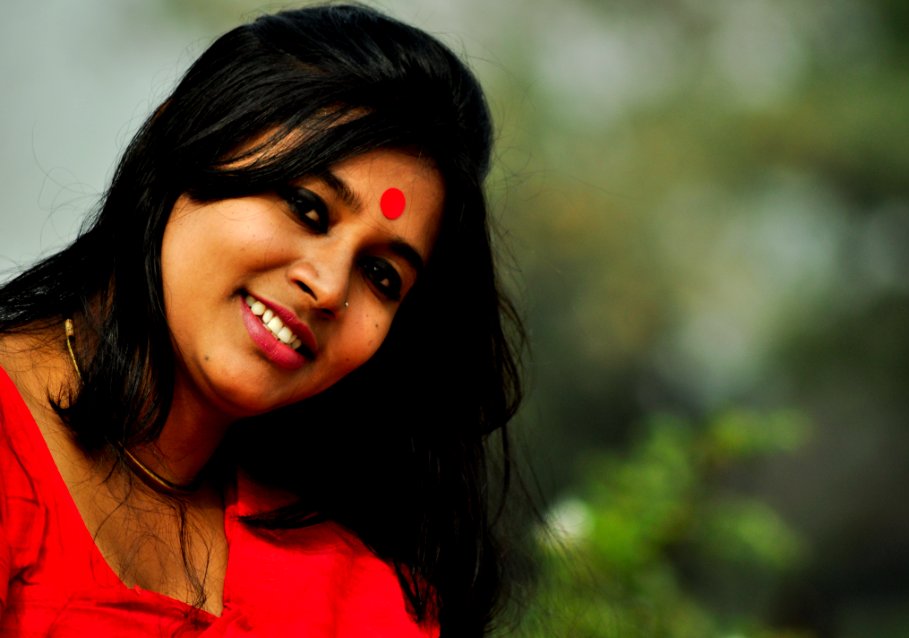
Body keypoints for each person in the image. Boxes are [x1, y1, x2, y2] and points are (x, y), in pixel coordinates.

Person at [0, 4, 524, 636]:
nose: (330, 288)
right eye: (307, 207)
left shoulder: (355, 592)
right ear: (186, 135)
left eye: (383, 277)